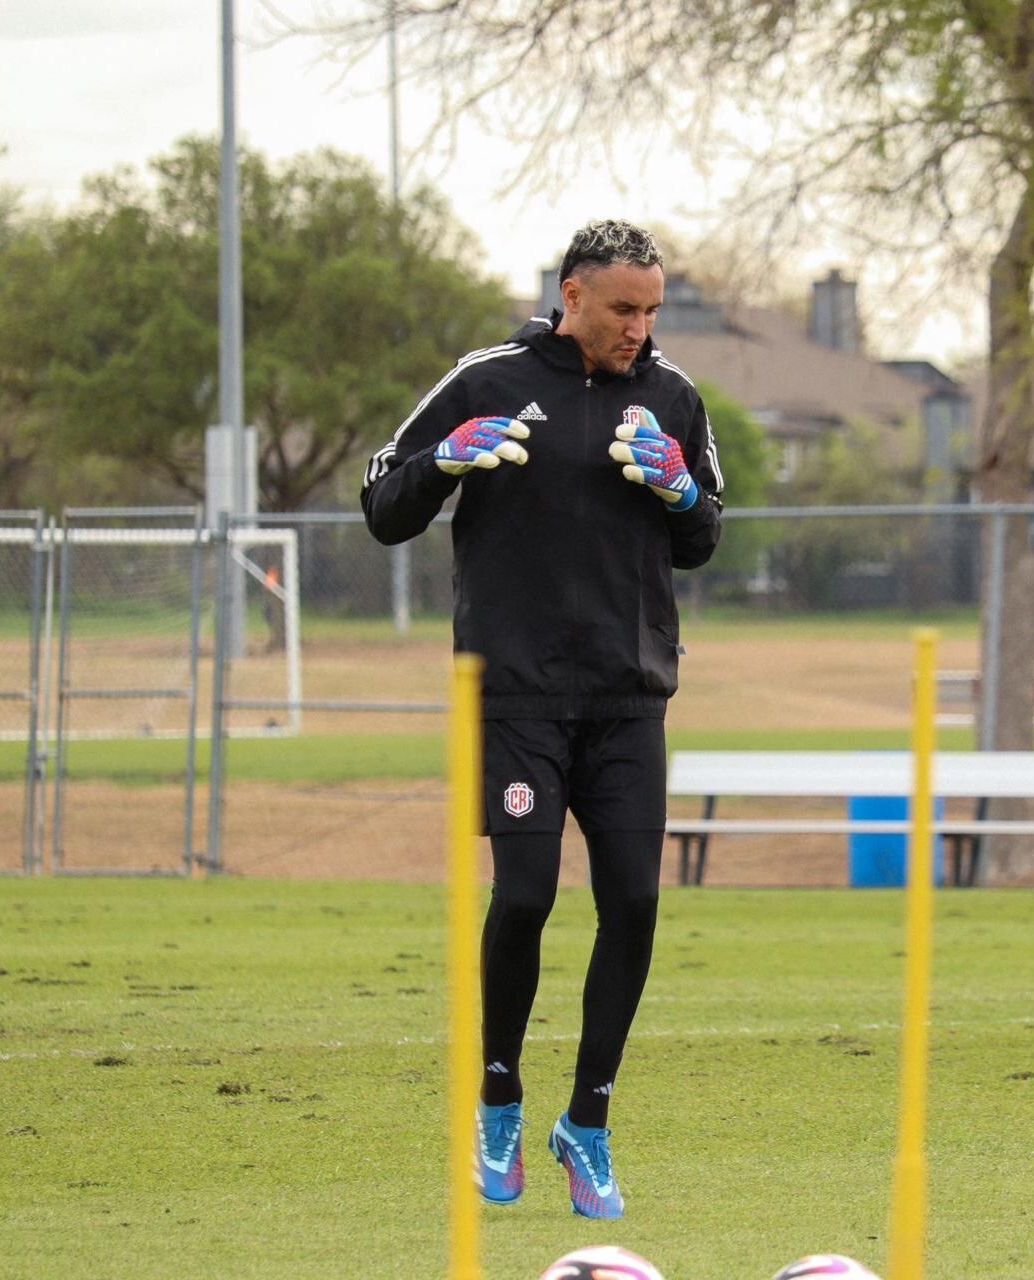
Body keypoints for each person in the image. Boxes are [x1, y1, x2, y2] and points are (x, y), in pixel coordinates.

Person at [360, 219, 723, 1220]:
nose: (639, 330)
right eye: (623, 309)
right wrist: (450, 459)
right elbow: (383, 501)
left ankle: (589, 1121)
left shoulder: (674, 396)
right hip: (515, 693)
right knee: (524, 895)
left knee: (637, 906)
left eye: (652, 310)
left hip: (628, 697)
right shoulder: (484, 378)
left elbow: (702, 537)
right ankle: (500, 1098)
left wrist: (680, 486)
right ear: (572, 294)